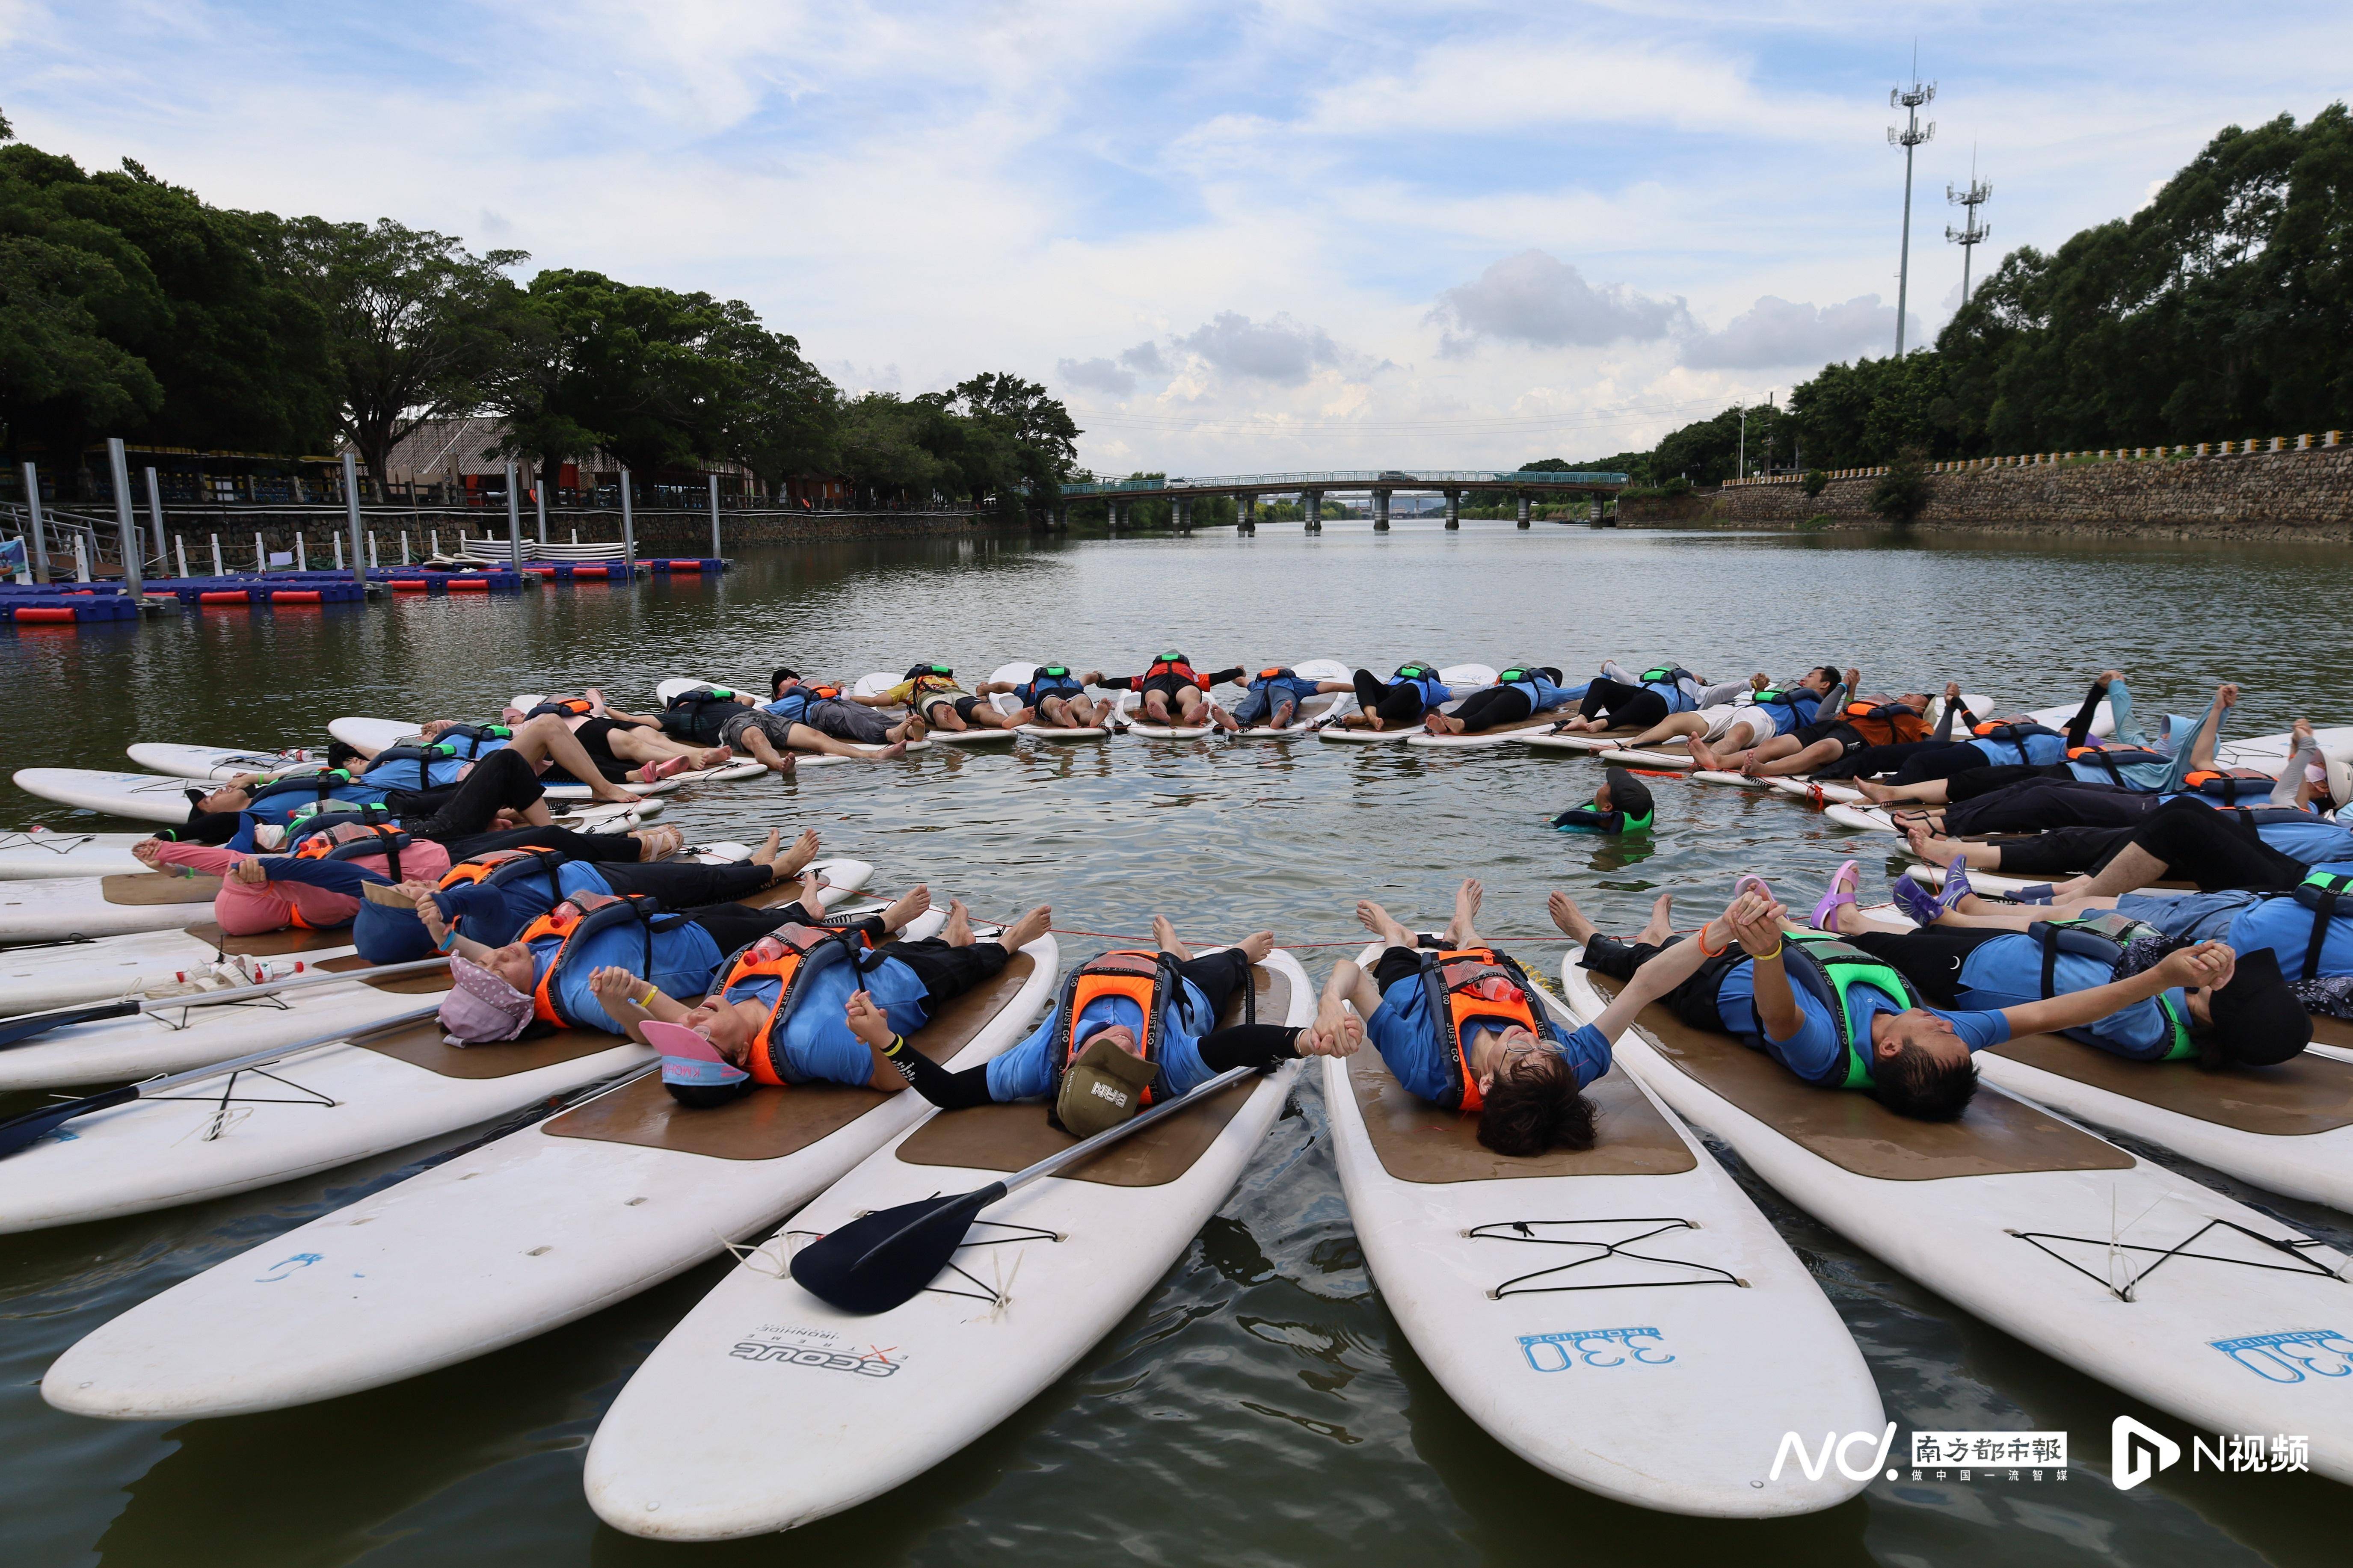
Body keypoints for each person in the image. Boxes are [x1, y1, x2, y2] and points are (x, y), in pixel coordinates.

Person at [1553, 871, 2234, 1121]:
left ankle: (1595, 932)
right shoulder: (1944, 1043)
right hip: (1784, 949)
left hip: (1725, 985)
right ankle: (1666, 930)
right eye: (1948, 1028)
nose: (1944, 1020)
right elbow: (2054, 1012)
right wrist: (2160, 979)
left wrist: (1763, 951)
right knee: (1688, 941)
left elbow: (1780, 1013)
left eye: (1934, 1027)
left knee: (1640, 964)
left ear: (1888, 1046)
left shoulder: (1827, 1054)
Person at [1308, 878, 1735, 1155]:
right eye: (1544, 1047)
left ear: (1489, 1083)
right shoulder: (1560, 1065)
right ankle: (1464, 926)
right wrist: (1720, 931)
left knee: (1396, 952)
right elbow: (1644, 985)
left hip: (1417, 990)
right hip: (1492, 978)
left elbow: (1352, 978)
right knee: (1485, 955)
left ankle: (1394, 930)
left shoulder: (1423, 1066)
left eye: (1518, 1054)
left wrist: (1330, 1002)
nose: (1528, 1037)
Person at [1811, 864, 2309, 1067]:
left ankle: (1845, 919)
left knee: (1890, 949)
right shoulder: (2187, 1003)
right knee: (1931, 936)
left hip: (1980, 976)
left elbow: (2125, 992)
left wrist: (2170, 974)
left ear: (2218, 1011)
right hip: (2020, 949)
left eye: (2231, 984)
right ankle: (1940, 918)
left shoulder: (2149, 1032)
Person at [604, 897, 1055, 1106]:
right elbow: (891, 1085)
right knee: (971, 966)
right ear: (742, 1054)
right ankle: (1010, 940)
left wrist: (631, 995)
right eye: (700, 1034)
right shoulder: (808, 1042)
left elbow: (672, 1014)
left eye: (687, 1028)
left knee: (923, 948)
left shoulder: (717, 1017)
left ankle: (951, 937)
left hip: (861, 964)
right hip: (908, 987)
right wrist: (878, 1038)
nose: (693, 1019)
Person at [877, 914, 1295, 1135]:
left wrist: (887, 1041)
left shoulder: (1037, 1067)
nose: (1127, 1044)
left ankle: (1172, 950)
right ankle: (1188, 952)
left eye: (1108, 1054)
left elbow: (947, 1092)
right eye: (1131, 1061)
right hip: (1185, 995)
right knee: (1223, 965)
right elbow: (1241, 1045)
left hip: (1113, 969)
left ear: (1073, 1059)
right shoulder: (1166, 1070)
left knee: (1172, 963)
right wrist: (1306, 1041)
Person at [425, 873, 922, 1044]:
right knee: (799, 937)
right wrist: (620, 1003)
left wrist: (447, 940)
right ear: (518, 999)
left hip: (673, 926)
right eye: (496, 970)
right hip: (702, 950)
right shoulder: (577, 994)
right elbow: (643, 1033)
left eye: (486, 963)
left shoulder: (528, 958)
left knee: (764, 916)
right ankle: (883, 923)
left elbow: (486, 958)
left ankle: (804, 903)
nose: (495, 958)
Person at [1891, 859, 2353, 1018]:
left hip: (2219, 940)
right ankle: (1970, 907)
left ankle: (1951, 920)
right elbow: (2318, 881)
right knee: (2087, 911)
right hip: (2236, 908)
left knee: (2083, 928)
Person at [346, 827, 821, 962]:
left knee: (691, 884)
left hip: (586, 874)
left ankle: (750, 867)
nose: (410, 882)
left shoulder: (460, 904)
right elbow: (486, 901)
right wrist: (446, 904)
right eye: (409, 894)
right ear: (424, 916)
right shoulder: (475, 922)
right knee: (696, 886)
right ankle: (775, 870)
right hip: (601, 890)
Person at [1687, 677, 1945, 779]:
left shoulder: (1916, 722)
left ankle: (1765, 770)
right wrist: (1845, 686)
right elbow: (1825, 714)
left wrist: (1953, 708)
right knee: (1776, 745)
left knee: (1822, 749)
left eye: (1918, 696)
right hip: (1835, 725)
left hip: (1859, 739)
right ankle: (1717, 760)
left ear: (1924, 709)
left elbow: (1936, 747)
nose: (1910, 694)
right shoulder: (1877, 705)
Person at [663, 683, 912, 773]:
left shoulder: (727, 701)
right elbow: (645, 721)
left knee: (816, 737)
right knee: (755, 737)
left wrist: (722, 697)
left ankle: (873, 756)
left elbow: (748, 701)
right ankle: (777, 764)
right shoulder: (680, 715)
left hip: (752, 715)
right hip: (735, 725)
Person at [1614, 668, 1839, 755]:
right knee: (1677, 720)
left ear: (1824, 686)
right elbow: (1754, 695)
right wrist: (1759, 687)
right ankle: (1630, 745)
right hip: (1736, 708)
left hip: (1767, 719)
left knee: (1739, 733)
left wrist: (1849, 689)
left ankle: (1708, 760)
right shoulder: (1780, 690)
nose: (1803, 677)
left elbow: (1835, 721)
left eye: (1811, 676)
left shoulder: (1818, 708)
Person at [764, 669, 925, 746]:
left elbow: (845, 698)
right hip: (820, 713)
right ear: (779, 694)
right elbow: (762, 713)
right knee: (850, 719)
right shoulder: (787, 702)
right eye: (785, 680)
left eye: (792, 677)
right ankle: (890, 734)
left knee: (866, 712)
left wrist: (840, 689)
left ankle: (909, 731)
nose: (791, 679)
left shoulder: (815, 689)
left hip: (836, 702)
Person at [1551, 660, 1713, 736]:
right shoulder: (1657, 678)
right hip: (1636, 699)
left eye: (1700, 678)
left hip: (1656, 709)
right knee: (1600, 684)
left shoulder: (1699, 692)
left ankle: (1606, 723)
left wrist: (1740, 685)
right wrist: (1609, 666)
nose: (1693, 675)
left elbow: (1726, 691)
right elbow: (1627, 679)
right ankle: (1583, 718)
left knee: (1648, 699)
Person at [851, 663, 1027, 733]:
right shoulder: (948, 679)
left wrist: (849, 698)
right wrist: (984, 696)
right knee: (981, 710)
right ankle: (1005, 721)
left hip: (930, 697)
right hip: (958, 694)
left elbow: (876, 701)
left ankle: (952, 722)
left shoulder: (913, 684)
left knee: (939, 710)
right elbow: (979, 699)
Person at [1421, 663, 1585, 735]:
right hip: (1502, 690)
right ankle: (1447, 723)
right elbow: (1580, 691)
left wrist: (1606, 675)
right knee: (1475, 703)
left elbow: (1581, 691)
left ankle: (1462, 724)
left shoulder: (1551, 691)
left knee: (1491, 710)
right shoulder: (1520, 678)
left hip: (1519, 699)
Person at [1096, 652, 1246, 730]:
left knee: (1155, 698)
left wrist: (1102, 683)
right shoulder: (1192, 674)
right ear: (1185, 663)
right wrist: (1239, 672)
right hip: (1184, 682)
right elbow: (1221, 676)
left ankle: (1160, 711)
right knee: (1190, 699)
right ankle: (1191, 713)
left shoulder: (1147, 675)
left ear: (1156, 663)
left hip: (1156, 683)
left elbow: (1121, 682)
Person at [974, 664, 1115, 730]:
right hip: (1074, 693)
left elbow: (1002, 686)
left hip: (1048, 696)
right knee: (1083, 709)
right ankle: (1094, 716)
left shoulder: (1031, 687)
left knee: (1055, 707)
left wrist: (984, 689)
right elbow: (1088, 678)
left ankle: (1066, 720)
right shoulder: (1073, 683)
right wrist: (1099, 676)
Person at [1338, 660, 1453, 731]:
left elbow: (1455, 694)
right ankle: (1372, 717)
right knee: (1361, 674)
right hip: (1389, 698)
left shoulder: (1434, 685)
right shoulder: (1396, 678)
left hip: (1409, 706)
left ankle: (1364, 719)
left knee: (1411, 689)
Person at [1230, 666, 1350, 731]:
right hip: (1285, 690)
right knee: (1284, 703)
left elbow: (1239, 680)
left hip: (1260, 691)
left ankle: (1235, 719)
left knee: (1247, 705)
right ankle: (1280, 720)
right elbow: (1335, 686)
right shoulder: (1295, 682)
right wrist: (1359, 688)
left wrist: (1241, 672)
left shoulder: (1258, 682)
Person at [1550, 767, 1656, 835]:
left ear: (1607, 807)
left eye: (1608, 784)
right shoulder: (1640, 823)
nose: (1605, 783)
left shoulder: (1568, 830)